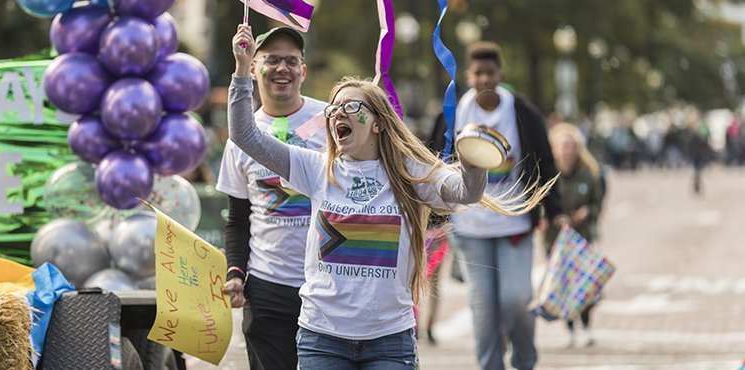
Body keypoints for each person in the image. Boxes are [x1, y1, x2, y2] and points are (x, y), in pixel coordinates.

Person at [227, 24, 555, 369]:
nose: (338, 113)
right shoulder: (314, 167)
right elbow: (245, 135)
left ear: (378, 123)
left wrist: (474, 163)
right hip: (321, 337)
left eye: (351, 108)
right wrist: (241, 68)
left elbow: (466, 193)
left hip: (389, 341)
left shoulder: (409, 171)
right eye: (333, 109)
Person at [433, 41, 564, 370]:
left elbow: (546, 164)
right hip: (470, 227)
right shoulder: (453, 113)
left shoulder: (522, 112)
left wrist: (556, 210)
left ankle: (524, 361)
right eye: (478, 73)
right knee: (484, 307)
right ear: (469, 75)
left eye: (491, 73)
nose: (485, 79)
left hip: (514, 222)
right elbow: (433, 163)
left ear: (500, 74)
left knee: (517, 298)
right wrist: (432, 217)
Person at [218, 26, 327, 370]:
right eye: (272, 60)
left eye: (292, 61)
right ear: (253, 68)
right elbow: (237, 219)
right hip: (268, 288)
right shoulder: (241, 134)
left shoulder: (331, 121)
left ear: (303, 71)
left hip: (328, 285)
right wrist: (235, 272)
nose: (283, 69)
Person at [545, 122, 604, 347]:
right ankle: (569, 329)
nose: (568, 151)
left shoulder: (589, 173)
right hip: (555, 237)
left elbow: (597, 202)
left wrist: (588, 212)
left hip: (582, 236)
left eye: (572, 146)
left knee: (586, 285)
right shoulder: (549, 174)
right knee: (565, 285)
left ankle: (587, 325)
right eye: (563, 146)